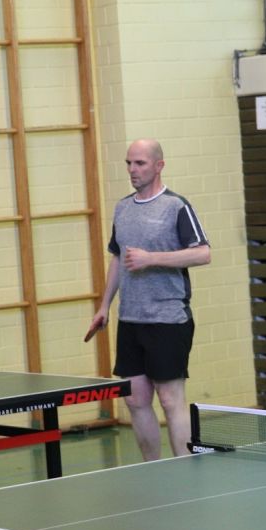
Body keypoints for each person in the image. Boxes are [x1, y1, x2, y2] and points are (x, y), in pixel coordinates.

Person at [86, 139, 210, 460]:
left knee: (170, 400)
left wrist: (152, 258)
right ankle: (152, 469)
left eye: (140, 163)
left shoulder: (176, 206)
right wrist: (104, 306)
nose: (132, 170)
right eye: (129, 163)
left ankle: (185, 470)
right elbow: (118, 258)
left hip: (168, 319)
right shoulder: (123, 208)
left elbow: (202, 253)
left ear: (159, 165)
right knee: (135, 400)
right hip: (130, 319)